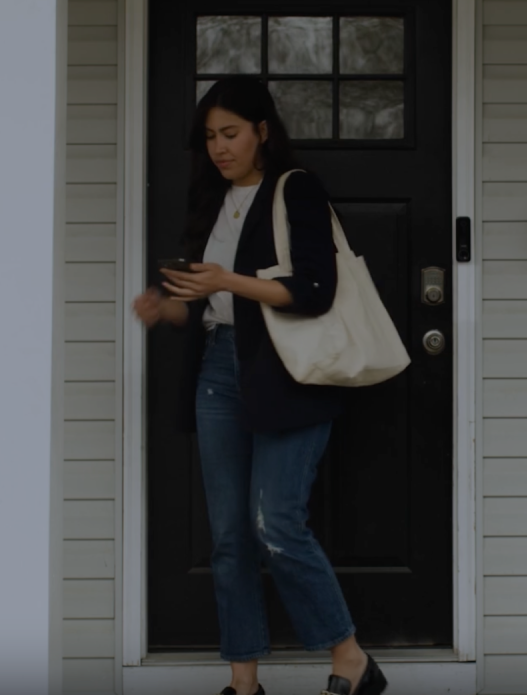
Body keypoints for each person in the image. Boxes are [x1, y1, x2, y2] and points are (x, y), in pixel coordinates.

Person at [132, 76, 385, 695]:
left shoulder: (295, 190)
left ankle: (349, 657)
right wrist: (168, 308)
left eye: (231, 133)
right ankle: (243, 681)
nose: (220, 148)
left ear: (262, 132)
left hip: (287, 371)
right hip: (219, 368)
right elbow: (209, 306)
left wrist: (227, 279)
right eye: (211, 137)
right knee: (229, 537)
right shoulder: (211, 201)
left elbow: (315, 290)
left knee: (276, 524)